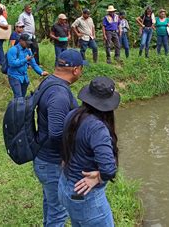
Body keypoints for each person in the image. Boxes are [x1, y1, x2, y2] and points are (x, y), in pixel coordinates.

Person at [33, 49, 85, 227]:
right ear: (76, 70)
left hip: (44, 158)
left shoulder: (49, 82)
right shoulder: (59, 95)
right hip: (52, 163)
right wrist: (66, 157)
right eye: (82, 69)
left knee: (51, 204)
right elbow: (56, 133)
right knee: (59, 212)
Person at [59, 76, 120, 227]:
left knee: (78, 222)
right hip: (85, 196)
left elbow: (63, 143)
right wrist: (99, 177)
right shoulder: (98, 129)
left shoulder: (73, 115)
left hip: (67, 188)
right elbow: (108, 169)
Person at [7, 34, 48, 98]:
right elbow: (12, 63)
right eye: (26, 42)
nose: (28, 44)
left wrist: (41, 72)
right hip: (14, 76)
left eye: (29, 43)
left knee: (22, 96)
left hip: (24, 77)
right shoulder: (13, 50)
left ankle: (20, 106)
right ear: (21, 41)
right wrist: (25, 60)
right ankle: (16, 107)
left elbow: (34, 64)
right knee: (18, 96)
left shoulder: (28, 51)